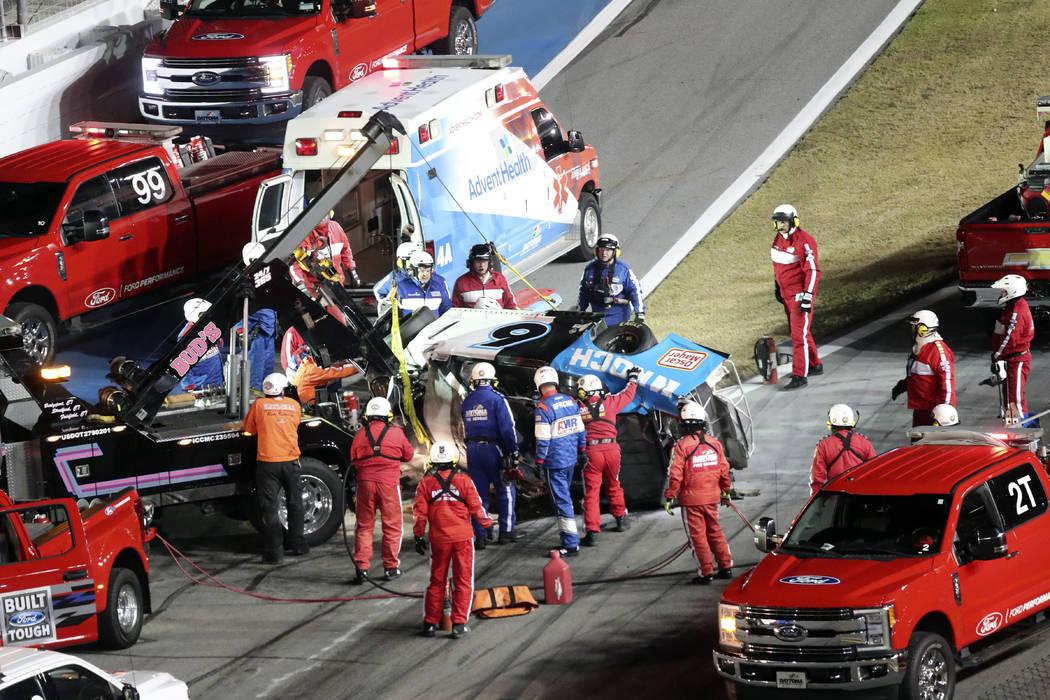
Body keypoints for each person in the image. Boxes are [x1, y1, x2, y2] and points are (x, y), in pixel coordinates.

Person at [412, 441, 492, 639]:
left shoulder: (425, 483)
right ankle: (458, 624)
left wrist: (418, 535)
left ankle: (430, 623)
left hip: (439, 540)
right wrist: (487, 524)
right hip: (463, 540)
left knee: (436, 581)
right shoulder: (464, 481)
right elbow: (476, 507)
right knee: (463, 581)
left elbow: (419, 514)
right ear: (454, 459)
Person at [663, 401, 733, 584]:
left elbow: (675, 474)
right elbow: (724, 470)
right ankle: (726, 567)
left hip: (691, 501)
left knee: (698, 537)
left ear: (685, 424)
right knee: (715, 532)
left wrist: (670, 496)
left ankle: (706, 572)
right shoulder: (714, 443)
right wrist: (726, 490)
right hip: (712, 498)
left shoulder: (680, 446)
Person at [349, 396, 414, 584]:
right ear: (388, 415)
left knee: (364, 526)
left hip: (365, 486)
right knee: (392, 526)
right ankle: (390, 567)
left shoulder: (360, 434)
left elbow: (353, 459)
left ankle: (361, 568)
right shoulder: (396, 433)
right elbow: (408, 455)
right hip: (389, 485)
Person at [243, 373, 306, 564]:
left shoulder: (259, 405)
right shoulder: (294, 406)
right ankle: (297, 544)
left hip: (268, 463)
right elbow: (295, 425)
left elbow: (248, 430)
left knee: (269, 508)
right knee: (295, 503)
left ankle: (275, 552)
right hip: (290, 461)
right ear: (283, 389)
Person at [576, 369, 640, 546]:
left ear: (584, 391)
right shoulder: (611, 401)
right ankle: (620, 519)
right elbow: (628, 394)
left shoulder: (577, 407)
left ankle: (592, 532)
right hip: (612, 450)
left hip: (591, 453)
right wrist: (633, 378)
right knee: (614, 484)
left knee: (592, 493)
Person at [461, 362, 520, 548]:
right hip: (494, 450)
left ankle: (480, 536)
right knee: (505, 490)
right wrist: (513, 452)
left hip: (472, 450)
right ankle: (506, 531)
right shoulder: (498, 399)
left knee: (479, 495)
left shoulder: (467, 400)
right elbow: (508, 429)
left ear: (474, 381)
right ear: (493, 380)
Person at [534, 366, 586, 555]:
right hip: (571, 458)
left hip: (554, 463)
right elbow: (581, 430)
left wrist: (539, 462)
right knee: (565, 498)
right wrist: (581, 450)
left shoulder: (543, 408)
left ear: (538, 385)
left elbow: (543, 440)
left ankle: (571, 544)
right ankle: (571, 540)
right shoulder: (571, 401)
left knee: (561, 501)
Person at [770, 204, 822, 390]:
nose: (780, 226)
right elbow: (778, 267)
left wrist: (808, 295)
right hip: (787, 296)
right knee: (801, 332)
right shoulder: (778, 239)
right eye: (777, 222)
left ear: (793, 221)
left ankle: (800, 376)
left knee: (797, 336)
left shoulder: (804, 241)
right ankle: (815, 364)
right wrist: (778, 286)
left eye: (783, 222)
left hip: (800, 296)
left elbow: (813, 271)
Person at [891, 310, 955, 427]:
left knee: (934, 445)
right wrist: (903, 385)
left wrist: (946, 409)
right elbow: (916, 375)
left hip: (936, 412)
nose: (912, 330)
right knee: (917, 443)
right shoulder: (918, 349)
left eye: (914, 327)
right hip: (921, 409)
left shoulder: (938, 351)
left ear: (923, 329)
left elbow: (947, 382)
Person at [990, 274, 1034, 424]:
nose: (1001, 294)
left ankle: (1020, 429)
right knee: (1010, 396)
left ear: (1012, 292)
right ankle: (1015, 424)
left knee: (1014, 399)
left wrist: (997, 356)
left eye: (1003, 291)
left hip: (1017, 359)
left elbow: (1010, 338)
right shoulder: (1014, 307)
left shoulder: (1016, 311)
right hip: (1011, 358)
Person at [577, 234, 644, 326]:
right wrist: (579, 312)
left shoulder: (624, 270)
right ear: (596, 251)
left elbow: (635, 291)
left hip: (619, 319)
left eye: (608, 250)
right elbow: (583, 293)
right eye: (601, 249)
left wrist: (640, 313)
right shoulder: (589, 269)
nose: (604, 253)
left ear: (615, 252)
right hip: (597, 318)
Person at [809, 403, 876, 496]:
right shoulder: (864, 442)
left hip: (836, 496)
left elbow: (817, 476)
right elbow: (874, 470)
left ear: (831, 422)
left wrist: (816, 500)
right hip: (860, 494)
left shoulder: (824, 444)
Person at [292, 210, 360, 295]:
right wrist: (300, 284)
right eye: (316, 216)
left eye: (324, 214)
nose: (321, 218)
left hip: (337, 283)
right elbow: (293, 263)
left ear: (330, 215)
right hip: (315, 288)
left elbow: (345, 251)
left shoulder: (336, 227)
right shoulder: (303, 235)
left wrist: (352, 271)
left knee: (341, 306)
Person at [452, 243, 518, 309]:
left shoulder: (500, 279)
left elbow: (511, 305)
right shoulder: (461, 282)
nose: (481, 265)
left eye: (484, 261)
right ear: (471, 263)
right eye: (478, 261)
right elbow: (455, 309)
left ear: (490, 263)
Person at [177, 298, 223, 391]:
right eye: (204, 314)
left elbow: (219, 346)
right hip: (200, 386)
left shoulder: (209, 327)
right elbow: (182, 365)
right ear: (194, 314)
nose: (209, 316)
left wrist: (219, 340)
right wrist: (189, 385)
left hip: (217, 380)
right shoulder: (186, 336)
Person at [390, 250, 452, 317]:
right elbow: (392, 315)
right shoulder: (400, 287)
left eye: (428, 271)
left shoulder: (439, 286)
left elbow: (447, 311)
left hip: (435, 327)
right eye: (422, 270)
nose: (425, 274)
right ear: (413, 271)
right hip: (410, 327)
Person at [291, 353, 359, 407]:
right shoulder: (314, 369)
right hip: (309, 403)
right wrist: (361, 365)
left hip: (303, 399)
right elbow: (339, 370)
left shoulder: (308, 361)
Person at [373, 241, 422, 312]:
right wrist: (388, 306)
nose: (413, 265)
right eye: (409, 261)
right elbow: (377, 290)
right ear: (400, 262)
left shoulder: (426, 275)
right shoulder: (395, 278)